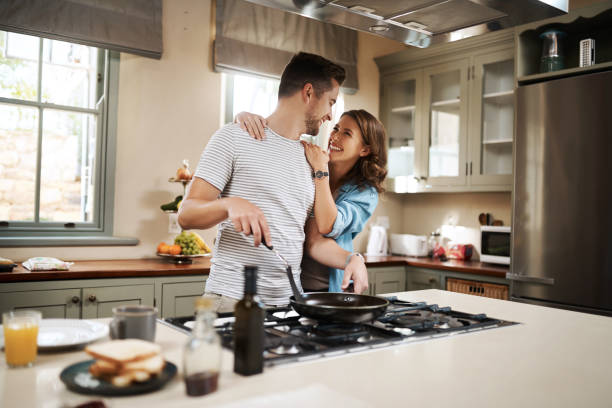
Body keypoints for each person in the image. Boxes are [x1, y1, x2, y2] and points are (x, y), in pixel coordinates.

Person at [178, 52, 369, 313]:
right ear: (309, 93)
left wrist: (352, 258)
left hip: (290, 305)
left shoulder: (312, 160)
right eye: (331, 102)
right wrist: (229, 205)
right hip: (232, 301)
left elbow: (314, 243)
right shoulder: (233, 138)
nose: (330, 116)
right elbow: (186, 215)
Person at [236, 109, 388, 292]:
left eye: (347, 133)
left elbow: (327, 225)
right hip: (290, 287)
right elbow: (275, 141)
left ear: (364, 149)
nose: (335, 137)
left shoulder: (364, 192)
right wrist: (243, 117)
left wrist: (320, 170)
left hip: (328, 289)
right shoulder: (311, 160)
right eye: (336, 129)